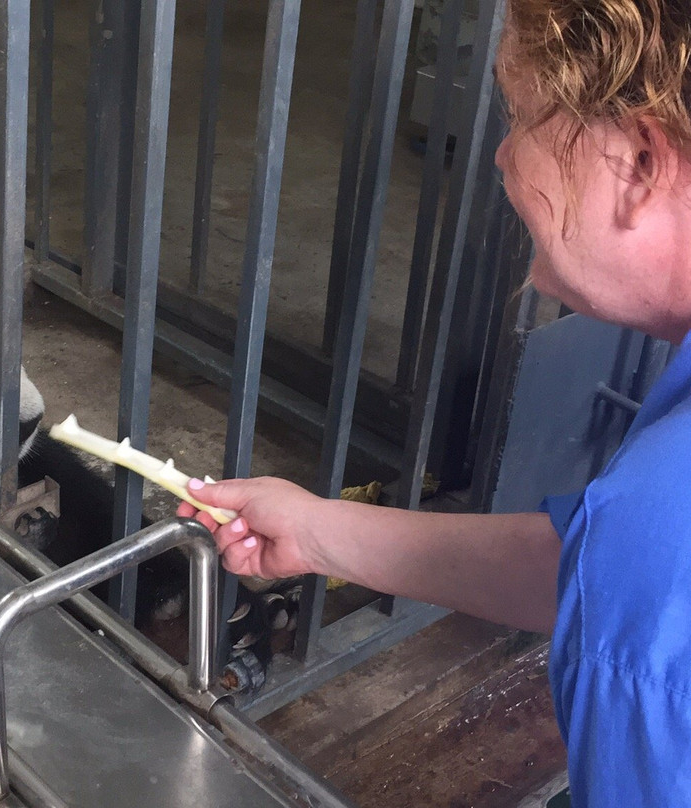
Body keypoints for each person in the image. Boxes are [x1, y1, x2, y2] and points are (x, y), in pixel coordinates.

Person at [179, 1, 691, 804]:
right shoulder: (647, 539)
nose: (498, 155)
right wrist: (318, 531)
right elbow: (593, 571)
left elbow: (642, 585)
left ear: (639, 163)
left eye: (520, 116)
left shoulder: (658, 542)